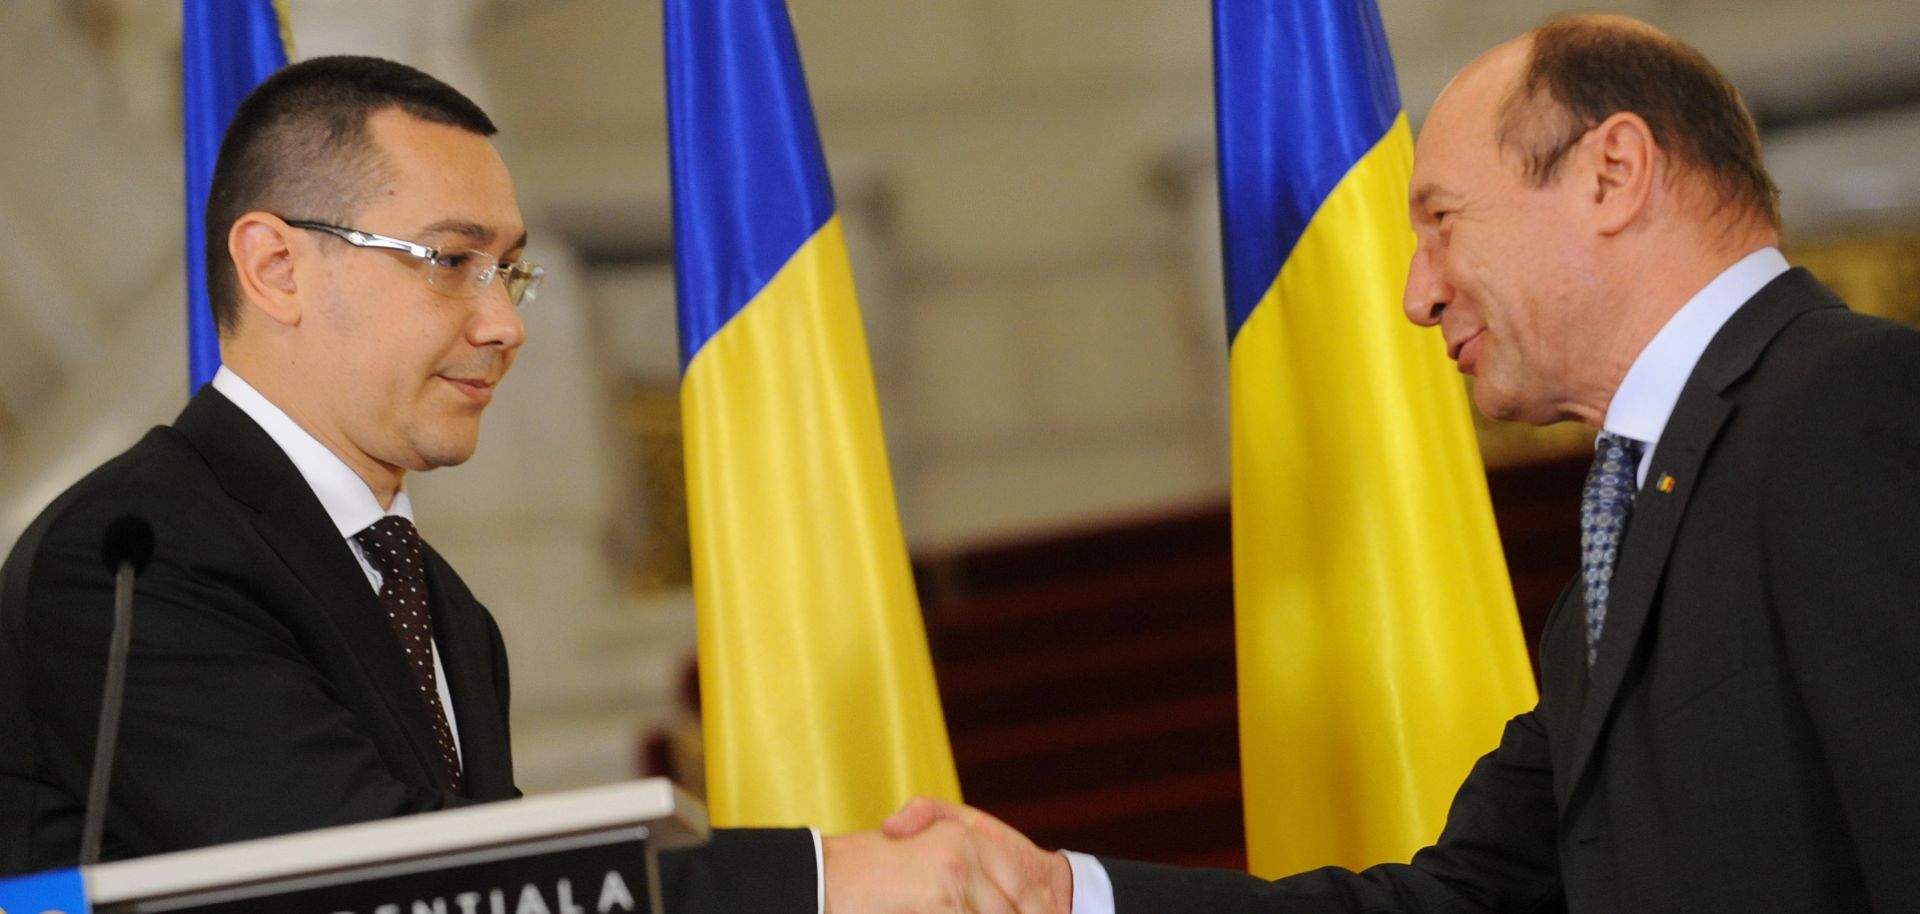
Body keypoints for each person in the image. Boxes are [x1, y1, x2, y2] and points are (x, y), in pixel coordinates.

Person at [885, 13, 1920, 913]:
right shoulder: (1623, 561)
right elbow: (1453, 899)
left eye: (1441, 220)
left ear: (1613, 173)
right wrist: (1067, 892)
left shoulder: (1852, 405)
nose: (1416, 294)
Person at [0, 55, 1037, 914]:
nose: (507, 324)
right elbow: (378, 886)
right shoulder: (131, 554)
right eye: (451, 261)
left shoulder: (445, 605)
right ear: (275, 267)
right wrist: (822, 879)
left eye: (512, 270)